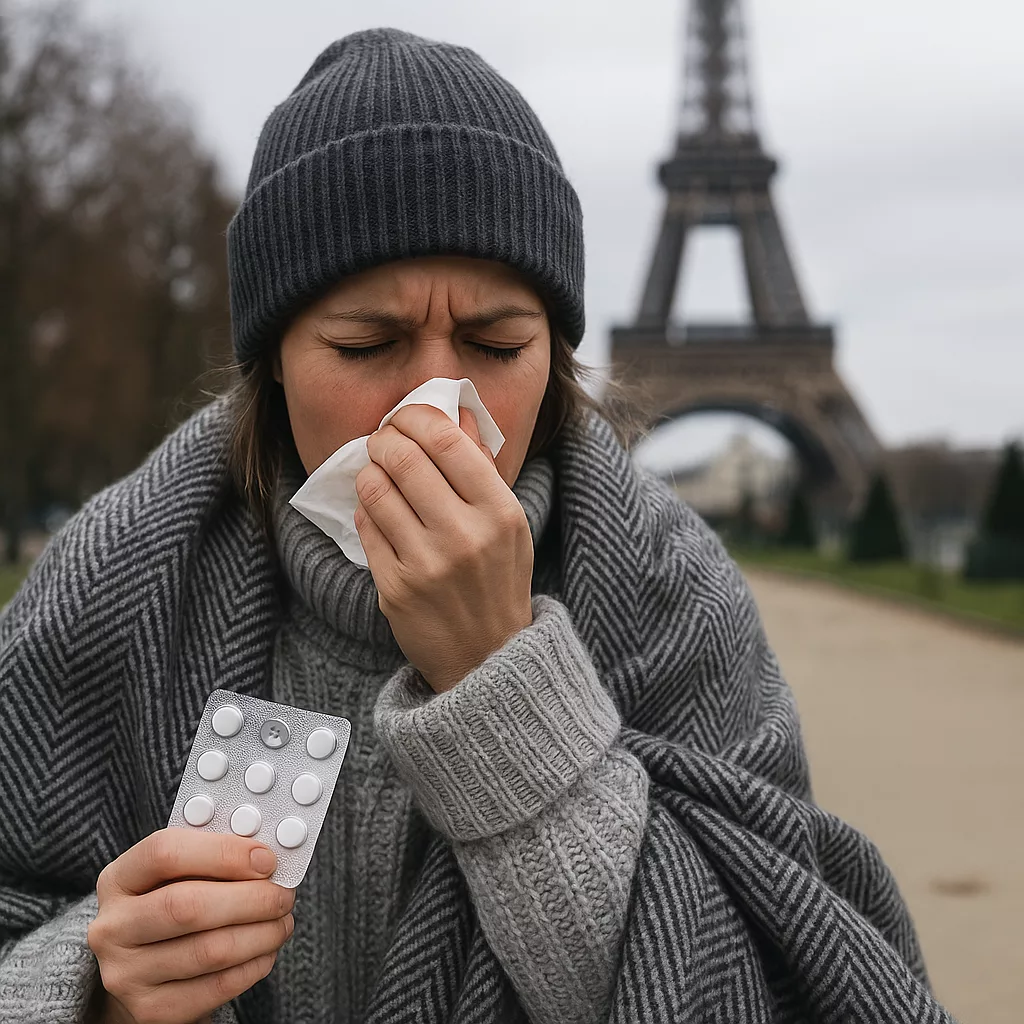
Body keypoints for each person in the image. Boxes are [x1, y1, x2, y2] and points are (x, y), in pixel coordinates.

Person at [0, 27, 954, 1024]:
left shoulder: (683, 600)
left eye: (496, 342)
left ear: (556, 359)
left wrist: (508, 691)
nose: (436, 404)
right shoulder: (102, 588)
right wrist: (90, 984)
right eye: (368, 342)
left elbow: (784, 980)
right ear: (274, 358)